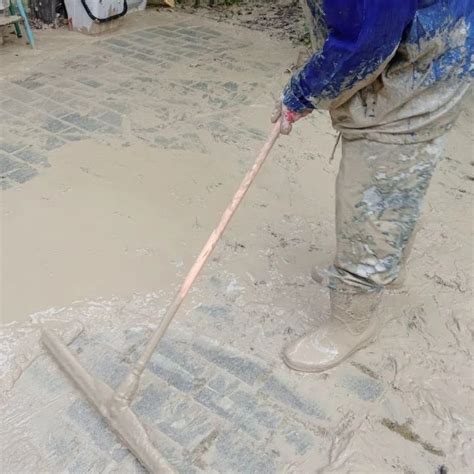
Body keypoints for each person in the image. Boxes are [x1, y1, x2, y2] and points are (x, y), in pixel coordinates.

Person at [272, 0, 473, 372]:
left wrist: (303, 92)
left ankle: (352, 322)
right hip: (425, 36)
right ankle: (389, 271)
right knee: (399, 177)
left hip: (421, 64)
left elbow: (366, 41)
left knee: (373, 192)